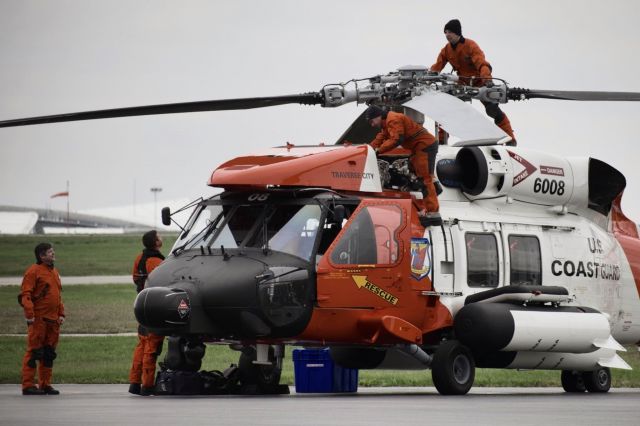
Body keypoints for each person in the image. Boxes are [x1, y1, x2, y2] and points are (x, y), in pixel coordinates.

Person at [430, 19, 516, 143]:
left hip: (479, 82)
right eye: (445, 32)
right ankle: (442, 139)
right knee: (447, 109)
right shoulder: (446, 50)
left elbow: (482, 63)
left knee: (492, 109)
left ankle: (510, 139)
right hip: (462, 83)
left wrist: (487, 80)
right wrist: (430, 76)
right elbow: (437, 66)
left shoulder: (470, 45)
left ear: (457, 33)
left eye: (449, 32)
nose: (447, 35)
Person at [366, 105, 441, 221]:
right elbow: (380, 138)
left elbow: (396, 139)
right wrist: (368, 149)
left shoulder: (393, 119)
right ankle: (435, 187)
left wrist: (379, 151)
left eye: (372, 121)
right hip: (418, 148)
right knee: (413, 168)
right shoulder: (386, 124)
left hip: (424, 146)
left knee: (425, 179)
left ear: (378, 116)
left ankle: (433, 213)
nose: (371, 125)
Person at [19, 243, 65, 395]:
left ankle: (45, 384)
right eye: (50, 252)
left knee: (48, 354)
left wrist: (61, 314)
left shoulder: (54, 271)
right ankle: (28, 385)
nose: (53, 254)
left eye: (53, 251)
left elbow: (58, 295)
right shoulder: (33, 272)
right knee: (34, 352)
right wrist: (30, 315)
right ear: (42, 256)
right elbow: (26, 295)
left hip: (53, 321)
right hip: (39, 320)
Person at [128, 230, 165, 396]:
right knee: (151, 347)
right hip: (154, 308)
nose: (161, 239)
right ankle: (147, 386)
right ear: (155, 242)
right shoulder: (156, 261)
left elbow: (135, 278)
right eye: (159, 237)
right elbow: (164, 281)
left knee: (141, 345)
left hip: (142, 305)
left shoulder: (139, 258)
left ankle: (134, 383)